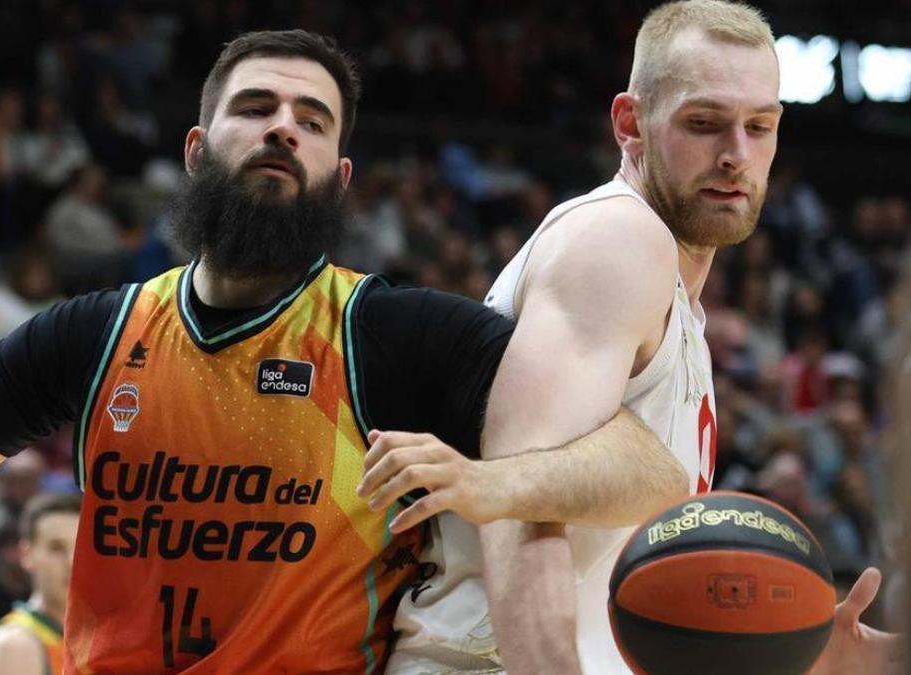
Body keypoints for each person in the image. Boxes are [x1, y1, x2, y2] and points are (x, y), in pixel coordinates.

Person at [0, 29, 684, 673]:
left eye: (312, 119)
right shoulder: (92, 333)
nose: (282, 129)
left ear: (340, 176)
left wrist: (496, 480)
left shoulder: (398, 335)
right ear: (196, 150)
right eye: (256, 108)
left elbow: (651, 469)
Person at [357, 2, 903, 673]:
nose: (736, 154)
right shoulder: (619, 237)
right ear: (631, 124)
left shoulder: (680, 314)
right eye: (704, 123)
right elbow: (519, 506)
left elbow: (644, 588)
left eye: (758, 127)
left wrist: (815, 649)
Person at [0, 493, 80, 675]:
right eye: (56, 548)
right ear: (27, 554)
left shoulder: (95, 640)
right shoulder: (14, 646)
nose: (72, 561)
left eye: (80, 548)